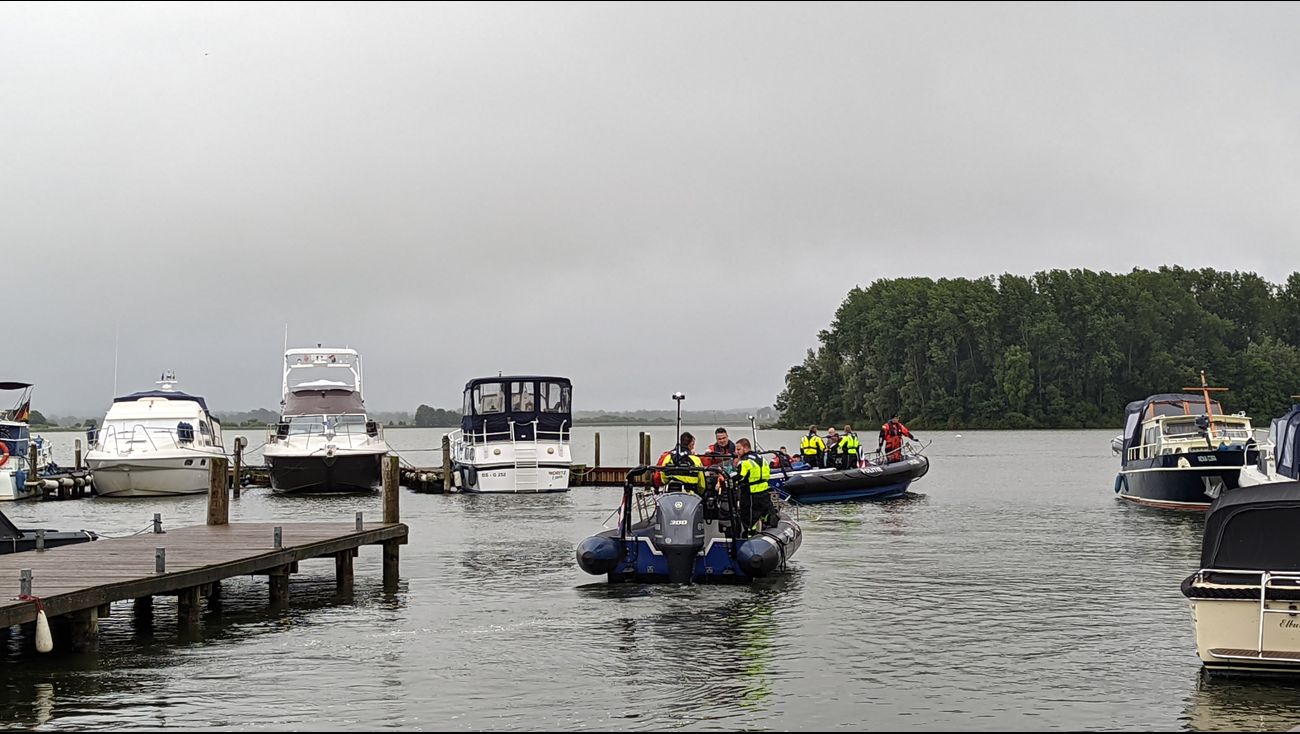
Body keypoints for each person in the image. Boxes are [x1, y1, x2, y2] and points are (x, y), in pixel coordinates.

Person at [733, 438, 776, 533]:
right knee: (764, 510)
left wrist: (730, 479)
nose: (737, 452)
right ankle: (768, 518)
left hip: (750, 493)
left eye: (738, 449)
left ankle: (751, 532)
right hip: (764, 491)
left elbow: (740, 476)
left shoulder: (744, 461)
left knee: (747, 516)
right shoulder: (762, 458)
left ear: (745, 448)